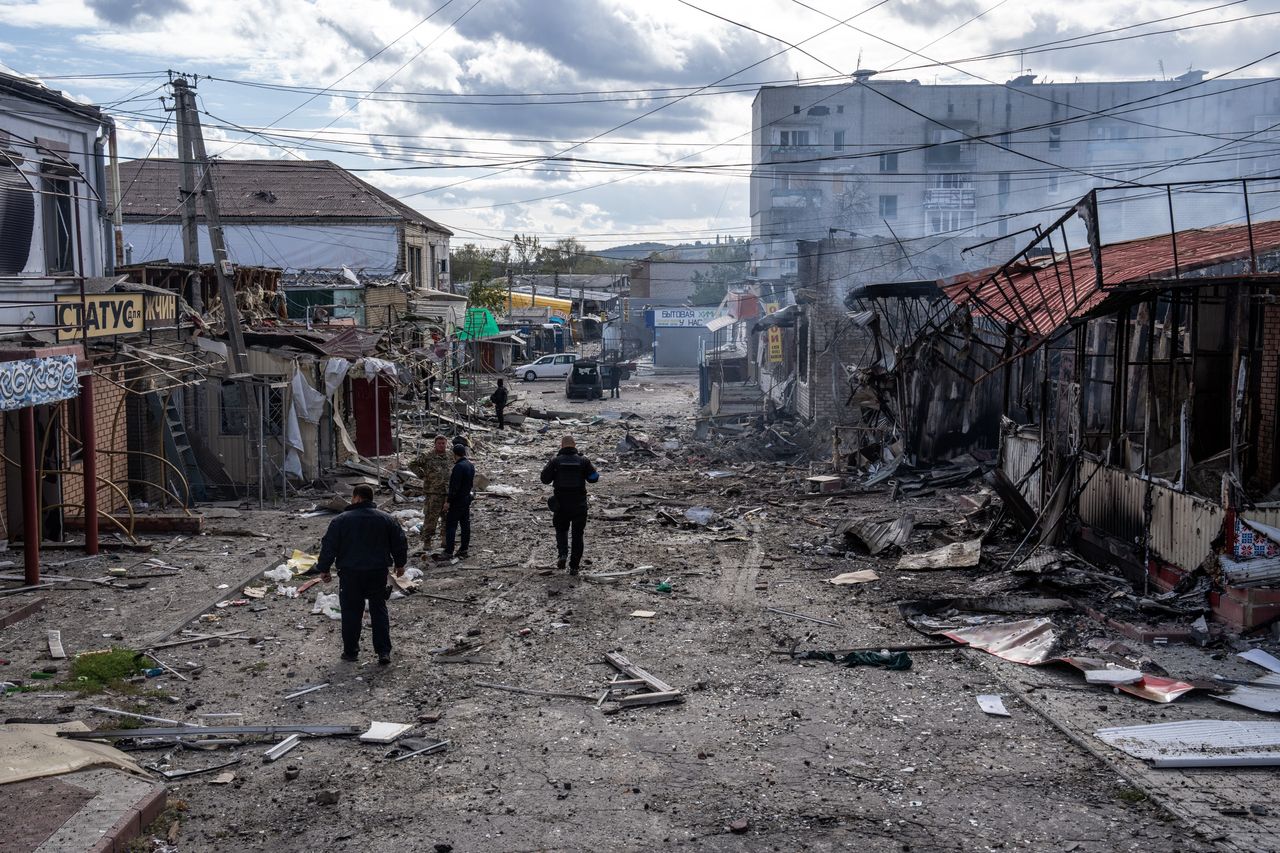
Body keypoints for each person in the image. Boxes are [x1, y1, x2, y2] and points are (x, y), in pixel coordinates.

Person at [316, 484, 407, 665]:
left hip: (350, 574)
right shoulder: (386, 519)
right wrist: (400, 564)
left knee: (351, 612)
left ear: (357, 498)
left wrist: (324, 569)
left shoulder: (340, 521)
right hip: (377, 572)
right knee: (378, 609)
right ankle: (383, 652)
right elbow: (399, 542)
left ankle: (351, 652)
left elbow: (329, 546)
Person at [540, 434, 599, 574]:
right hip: (579, 504)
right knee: (578, 535)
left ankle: (562, 554)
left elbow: (544, 479)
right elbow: (594, 478)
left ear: (561, 446)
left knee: (561, 531)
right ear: (575, 445)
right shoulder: (583, 461)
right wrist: (590, 470)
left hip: (561, 504)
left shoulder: (555, 461)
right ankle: (574, 566)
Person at [409, 435, 451, 553]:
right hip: (433, 492)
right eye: (439, 443)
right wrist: (422, 475)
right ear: (435, 444)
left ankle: (444, 539)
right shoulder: (427, 456)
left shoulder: (450, 455)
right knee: (431, 518)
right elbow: (412, 464)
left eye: (443, 443)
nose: (441, 445)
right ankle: (427, 541)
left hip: (447, 492)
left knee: (447, 518)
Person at [441, 443, 475, 560]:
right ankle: (464, 549)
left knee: (451, 525)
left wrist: (448, 501)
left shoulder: (458, 467)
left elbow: (454, 487)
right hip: (466, 498)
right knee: (465, 525)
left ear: (454, 454)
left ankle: (449, 551)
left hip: (457, 500)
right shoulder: (470, 465)